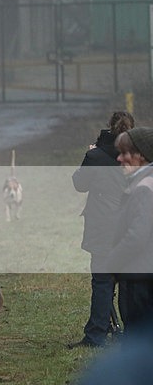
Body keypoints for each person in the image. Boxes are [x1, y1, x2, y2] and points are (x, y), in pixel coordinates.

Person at [69, 111, 134, 348]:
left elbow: (80, 184)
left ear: (109, 127)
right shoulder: (140, 155)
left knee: (103, 281)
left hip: (103, 226)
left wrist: (90, 153)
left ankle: (97, 333)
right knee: (129, 282)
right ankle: (132, 336)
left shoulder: (95, 155)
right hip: (132, 224)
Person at [103, 126, 153, 331]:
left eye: (124, 153)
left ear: (141, 155)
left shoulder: (144, 188)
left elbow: (137, 236)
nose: (119, 159)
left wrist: (112, 263)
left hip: (139, 281)